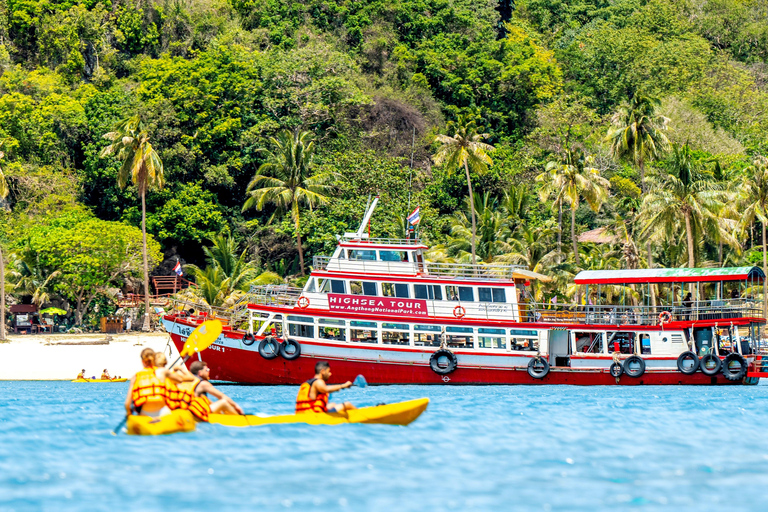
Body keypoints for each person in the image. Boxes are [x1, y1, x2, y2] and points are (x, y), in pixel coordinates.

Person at [176, 361, 243, 422]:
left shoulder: (186, 381)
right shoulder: (203, 384)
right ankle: (241, 419)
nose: (208, 372)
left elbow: (204, 400)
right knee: (223, 402)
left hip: (185, 412)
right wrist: (235, 405)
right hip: (195, 414)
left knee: (213, 403)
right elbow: (222, 396)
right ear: (200, 372)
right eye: (207, 370)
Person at [125, 348, 167, 418]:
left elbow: (127, 404)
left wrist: (129, 413)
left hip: (145, 414)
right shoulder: (162, 372)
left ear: (142, 361)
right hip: (163, 413)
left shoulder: (135, 377)